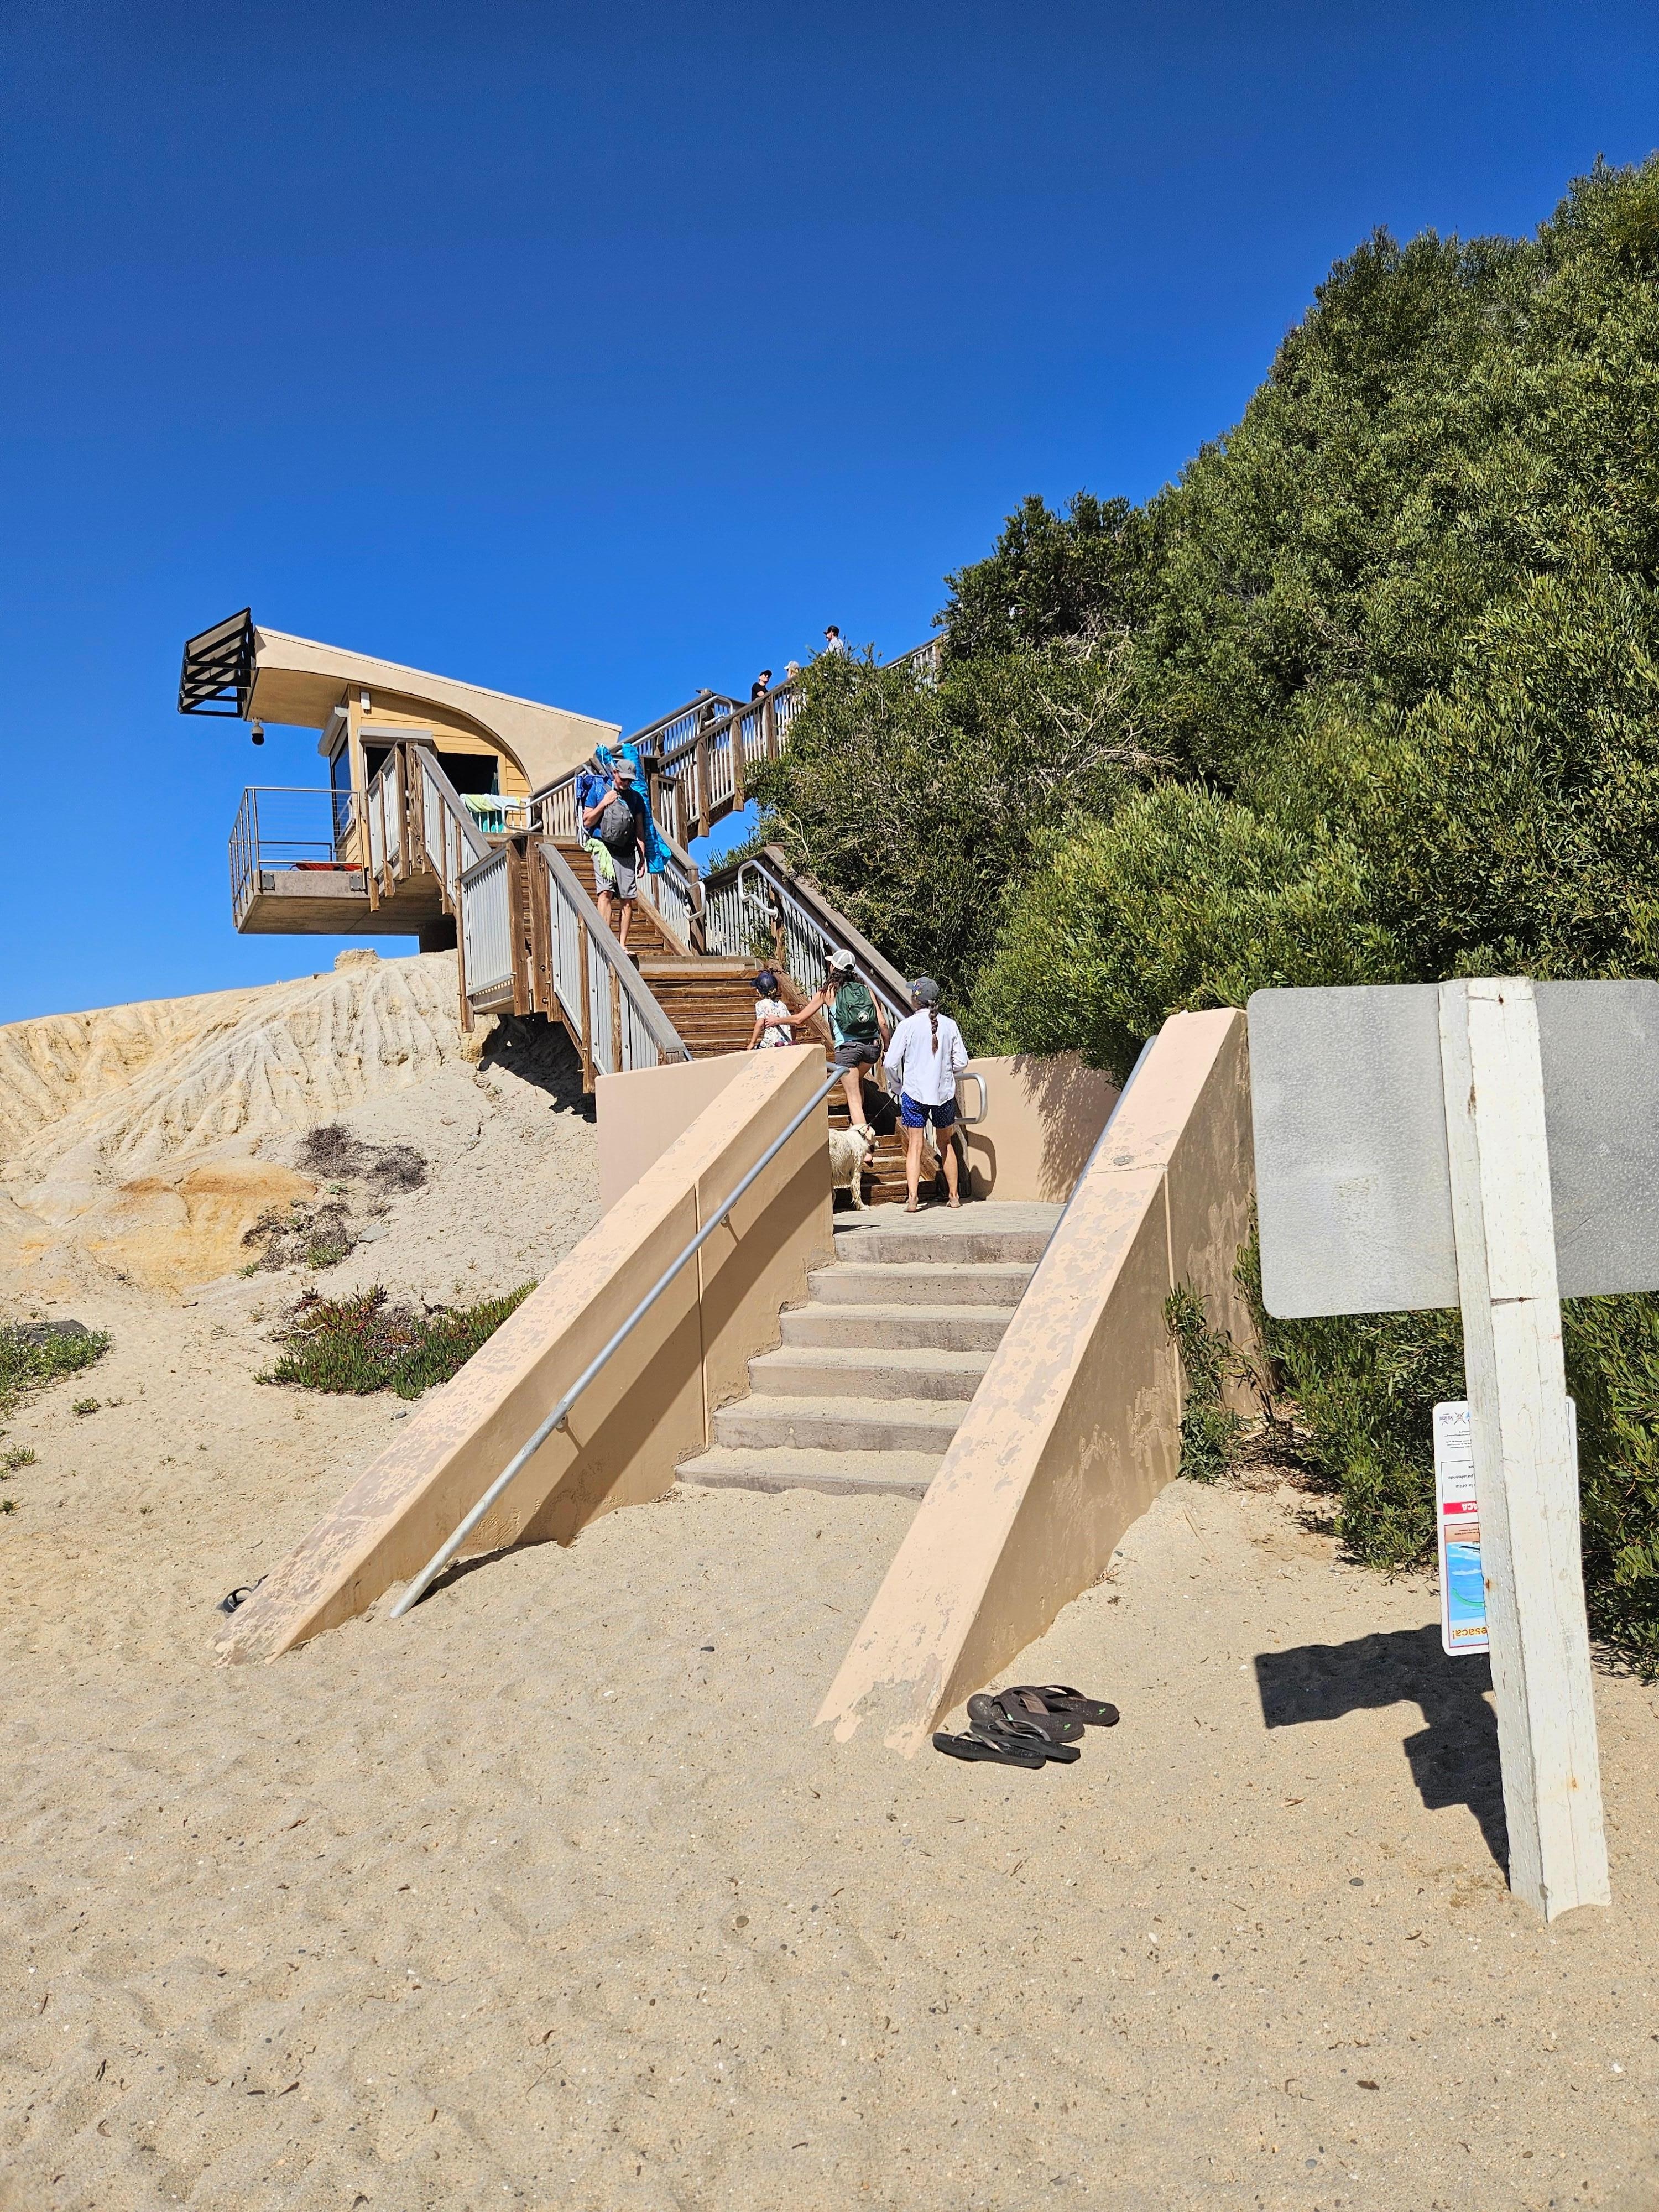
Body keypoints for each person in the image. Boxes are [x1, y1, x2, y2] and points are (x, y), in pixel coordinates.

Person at [884, 976, 968, 1212]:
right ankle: (954, 1197)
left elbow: (890, 1063)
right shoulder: (950, 1025)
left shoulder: (907, 1026)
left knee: (915, 1145)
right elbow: (962, 1061)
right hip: (943, 1093)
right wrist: (945, 1070)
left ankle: (913, 1200)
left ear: (915, 999)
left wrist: (897, 1086)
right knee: (946, 1143)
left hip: (914, 1092)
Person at [804, 947, 889, 1132]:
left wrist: (777, 1020)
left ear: (834, 967)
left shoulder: (828, 991)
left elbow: (800, 1019)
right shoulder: (865, 989)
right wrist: (886, 1048)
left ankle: (863, 1140)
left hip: (848, 1048)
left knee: (853, 1098)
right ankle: (854, 1123)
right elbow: (882, 1023)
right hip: (872, 1048)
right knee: (857, 1081)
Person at [581, 755, 648, 950]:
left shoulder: (636, 799)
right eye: (623, 779)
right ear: (615, 773)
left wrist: (642, 858)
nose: (626, 783)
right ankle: (605, 941)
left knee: (627, 900)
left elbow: (640, 831)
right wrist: (604, 803)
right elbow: (587, 821)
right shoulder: (599, 790)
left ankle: (622, 945)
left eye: (629, 780)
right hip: (604, 849)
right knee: (606, 893)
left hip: (627, 852)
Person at [746, 968, 810, 1050]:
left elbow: (760, 1023)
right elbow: (793, 1025)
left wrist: (752, 1042)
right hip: (786, 1044)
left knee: (756, 1052)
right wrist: (792, 1040)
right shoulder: (782, 1005)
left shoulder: (761, 1004)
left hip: (772, 1043)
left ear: (758, 991)